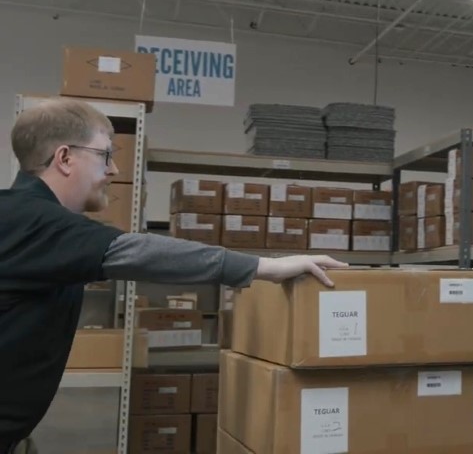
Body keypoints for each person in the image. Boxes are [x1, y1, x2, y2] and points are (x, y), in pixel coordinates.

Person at [0, 99, 348, 453]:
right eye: (105, 154)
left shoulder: (25, 219)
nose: (115, 168)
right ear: (64, 158)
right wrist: (267, 268)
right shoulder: (32, 222)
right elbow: (140, 252)